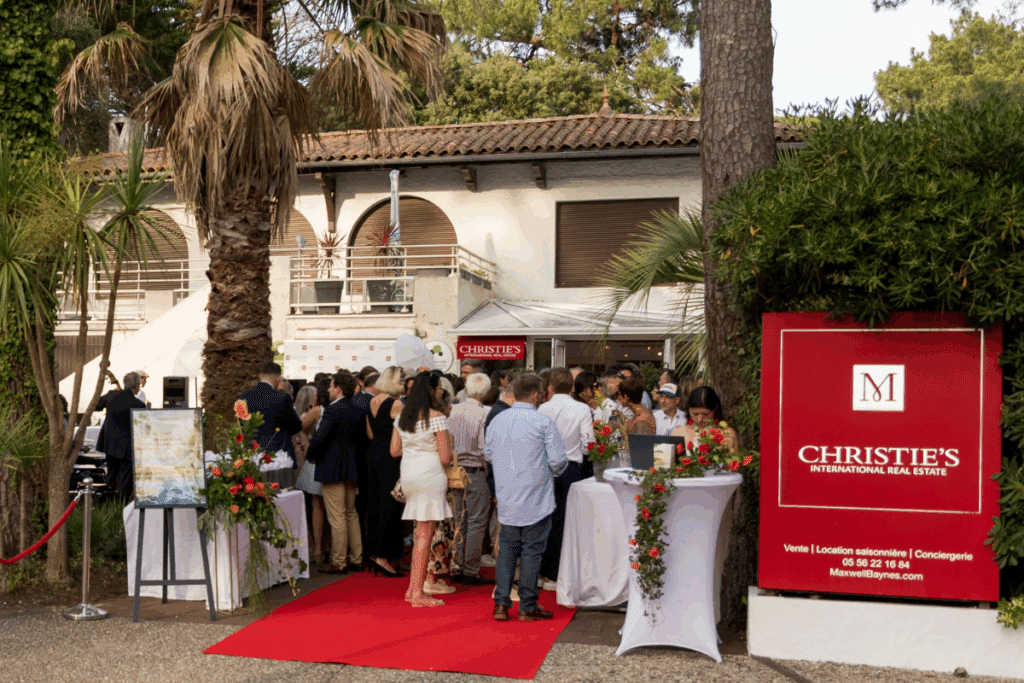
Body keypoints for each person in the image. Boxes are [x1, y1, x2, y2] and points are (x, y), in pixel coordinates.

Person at [486, 373, 568, 622]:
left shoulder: (498, 420)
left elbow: (488, 454)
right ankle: (528, 604)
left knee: (508, 550)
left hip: (508, 495)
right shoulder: (542, 421)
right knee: (532, 550)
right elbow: (558, 460)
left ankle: (501, 603)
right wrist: (549, 471)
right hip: (536, 497)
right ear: (535, 395)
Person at [391, 371, 455, 607]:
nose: (440, 391)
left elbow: (394, 451)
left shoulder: (402, 416)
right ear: (431, 391)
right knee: (424, 536)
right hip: (429, 475)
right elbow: (445, 457)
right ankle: (416, 592)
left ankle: (413, 589)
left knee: (420, 533)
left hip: (409, 474)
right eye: (437, 388)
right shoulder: (436, 416)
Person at [537, 368, 594, 589]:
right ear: (571, 387)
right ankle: (553, 573)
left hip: (546, 465)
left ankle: (542, 571)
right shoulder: (581, 408)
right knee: (563, 521)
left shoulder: (543, 407)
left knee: (545, 519)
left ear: (550, 387)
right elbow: (589, 441)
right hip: (570, 466)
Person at [308, 372, 368, 574]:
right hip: (351, 465)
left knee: (337, 516)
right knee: (351, 513)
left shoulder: (333, 410)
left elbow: (320, 436)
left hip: (332, 465)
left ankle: (339, 560)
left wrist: (311, 454)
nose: (328, 389)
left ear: (338, 388)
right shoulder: (357, 408)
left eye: (331, 385)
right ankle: (357, 557)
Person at [447, 372, 492, 586]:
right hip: (474, 470)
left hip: (454, 470)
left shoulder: (452, 410)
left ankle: (456, 565)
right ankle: (471, 569)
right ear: (486, 392)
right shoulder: (484, 414)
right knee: (476, 521)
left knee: (458, 520)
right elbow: (485, 449)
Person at [364, 366, 406, 577]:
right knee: (390, 505)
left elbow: (370, 433)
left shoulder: (372, 400)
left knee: (375, 503)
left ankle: (375, 553)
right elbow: (403, 433)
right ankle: (383, 555)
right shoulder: (396, 404)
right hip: (390, 455)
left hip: (373, 453)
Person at [237, 362, 303, 465]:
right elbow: (296, 425)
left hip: (252, 455)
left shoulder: (243, 397)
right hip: (279, 456)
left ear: (260, 375)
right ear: (278, 379)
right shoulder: (282, 397)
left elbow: (241, 425)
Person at [95, 371, 146, 498]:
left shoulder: (111, 395)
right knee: (125, 481)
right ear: (136, 386)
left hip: (110, 444)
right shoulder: (139, 405)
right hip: (127, 448)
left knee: (110, 477)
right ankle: (121, 508)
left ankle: (106, 504)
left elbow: (95, 405)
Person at [293, 383, 326, 566]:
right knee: (317, 505)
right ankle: (319, 547)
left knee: (313, 505)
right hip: (312, 462)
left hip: (306, 463)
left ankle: (316, 547)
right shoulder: (313, 415)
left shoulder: (303, 417)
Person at [670, 386, 739, 452]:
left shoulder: (727, 433)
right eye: (695, 414)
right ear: (689, 410)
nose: (700, 419)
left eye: (705, 414)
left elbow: (734, 462)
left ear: (715, 408)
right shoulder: (680, 432)